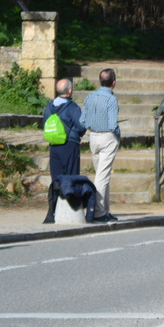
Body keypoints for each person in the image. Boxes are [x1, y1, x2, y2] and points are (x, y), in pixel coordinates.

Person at [42, 78, 86, 224]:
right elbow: (81, 127)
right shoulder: (72, 107)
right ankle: (70, 212)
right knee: (71, 176)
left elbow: (45, 123)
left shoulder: (49, 106)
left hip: (54, 145)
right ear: (70, 90)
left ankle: (52, 211)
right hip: (69, 145)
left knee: (56, 178)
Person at [80, 68, 120, 223]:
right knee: (102, 177)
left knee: (102, 175)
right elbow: (112, 124)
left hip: (93, 137)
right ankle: (97, 212)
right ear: (114, 83)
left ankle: (104, 210)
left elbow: (82, 121)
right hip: (107, 138)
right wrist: (118, 135)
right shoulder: (111, 100)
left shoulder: (90, 96)